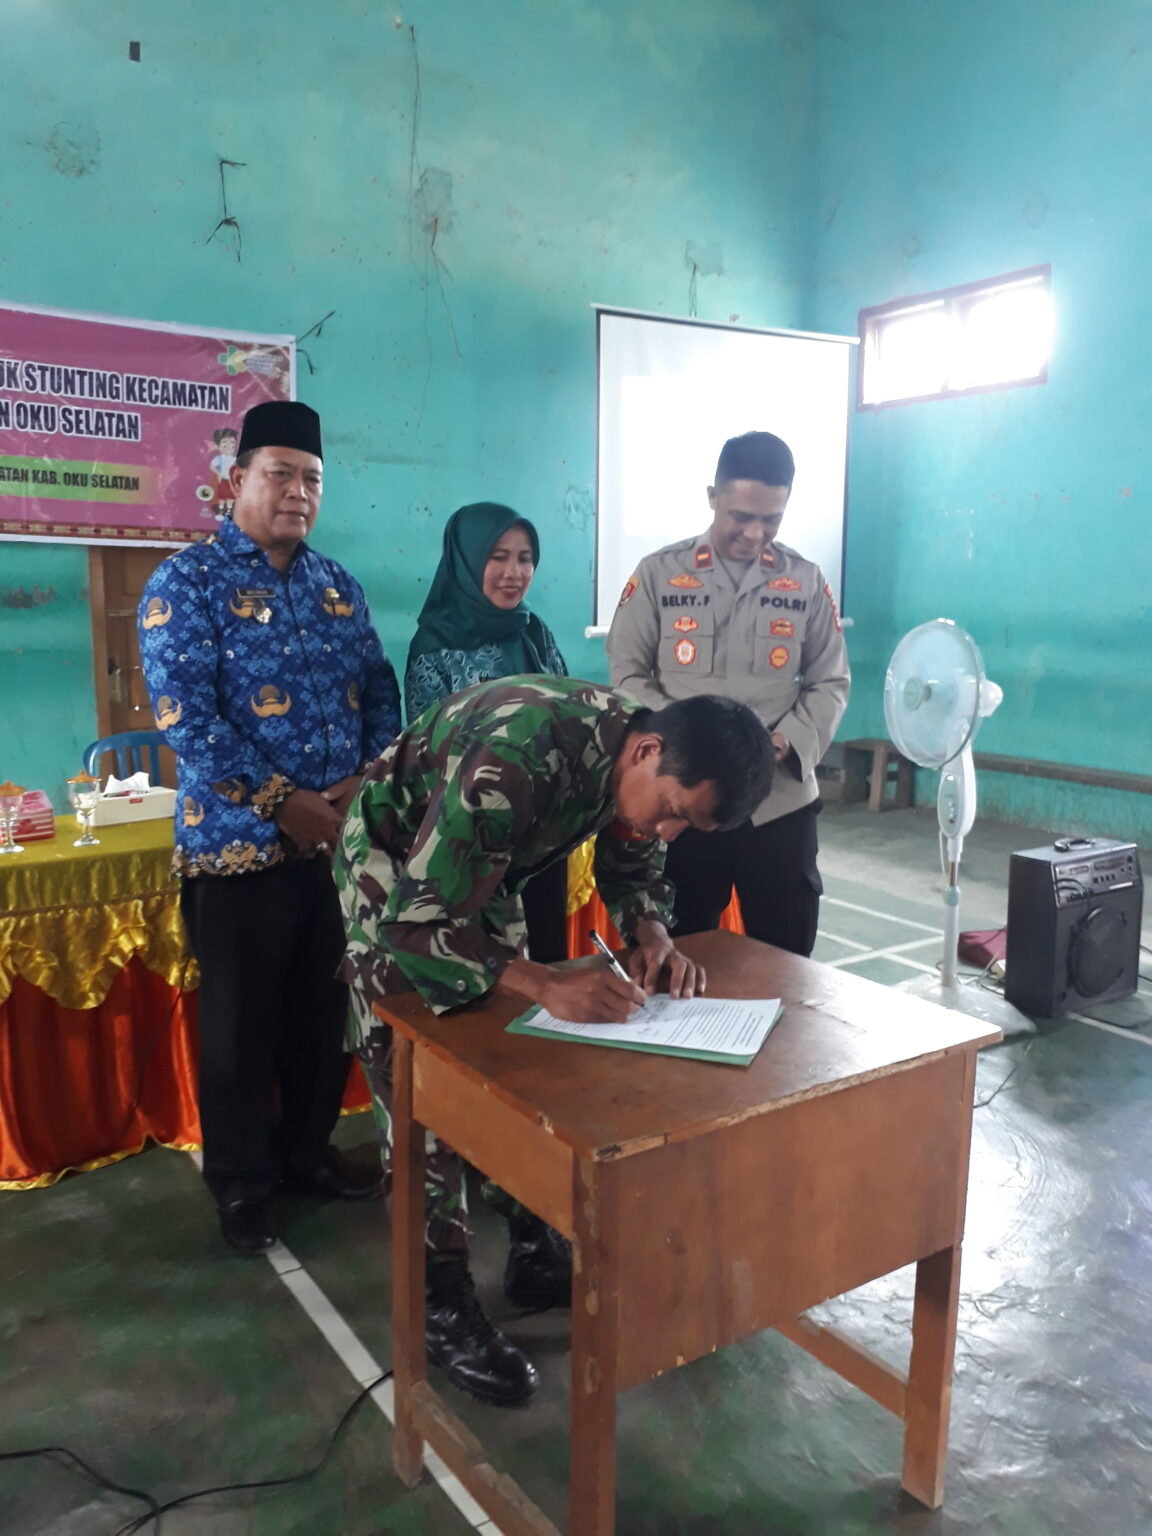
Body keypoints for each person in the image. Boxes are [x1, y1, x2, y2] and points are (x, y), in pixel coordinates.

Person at [335, 675, 773, 1408]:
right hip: (394, 879)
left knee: (507, 1060)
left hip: (475, 870)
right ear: (648, 751)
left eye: (686, 826)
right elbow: (416, 922)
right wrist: (544, 984)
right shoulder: (514, 757)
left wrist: (653, 933)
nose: (668, 832)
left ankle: (533, 1247)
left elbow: (632, 852)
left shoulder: (637, 758)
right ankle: (438, 1300)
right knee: (416, 1074)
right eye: (674, 811)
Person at [138, 400, 402, 1255]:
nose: (298, 492)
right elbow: (187, 717)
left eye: (312, 478)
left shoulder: (337, 586)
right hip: (236, 851)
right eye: (280, 473)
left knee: (321, 1014)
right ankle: (242, 1181)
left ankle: (306, 1153)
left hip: (334, 848)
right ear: (238, 479)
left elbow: (380, 690)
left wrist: (362, 782)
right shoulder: (186, 584)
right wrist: (281, 800)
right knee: (240, 1029)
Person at [606, 430, 850, 958]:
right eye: (741, 516)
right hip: (685, 800)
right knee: (677, 949)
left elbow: (830, 681)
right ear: (713, 496)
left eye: (771, 519)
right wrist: (687, 742)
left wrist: (784, 742)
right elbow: (626, 673)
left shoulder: (804, 582)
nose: (754, 532)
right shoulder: (659, 573)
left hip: (778, 804)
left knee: (788, 958)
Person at [405, 501, 569, 963]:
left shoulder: (535, 632)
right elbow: (428, 756)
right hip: (471, 844)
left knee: (550, 966)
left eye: (525, 558)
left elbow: (568, 718)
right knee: (490, 976)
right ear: (468, 558)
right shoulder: (434, 646)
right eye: (498, 557)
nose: (514, 573)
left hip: (543, 839)